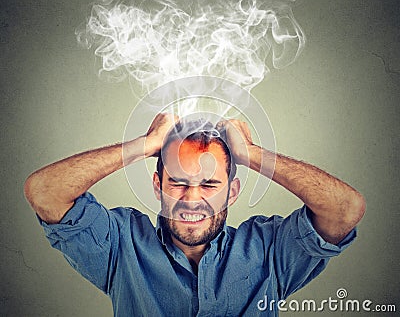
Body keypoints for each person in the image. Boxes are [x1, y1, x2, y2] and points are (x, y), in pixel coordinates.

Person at [24, 113, 365, 316]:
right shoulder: (122, 244)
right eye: (178, 182)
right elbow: (44, 192)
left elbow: (345, 209)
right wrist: (146, 144)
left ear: (232, 190)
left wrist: (252, 154)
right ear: (157, 186)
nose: (192, 199)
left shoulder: (270, 250)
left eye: (210, 184)